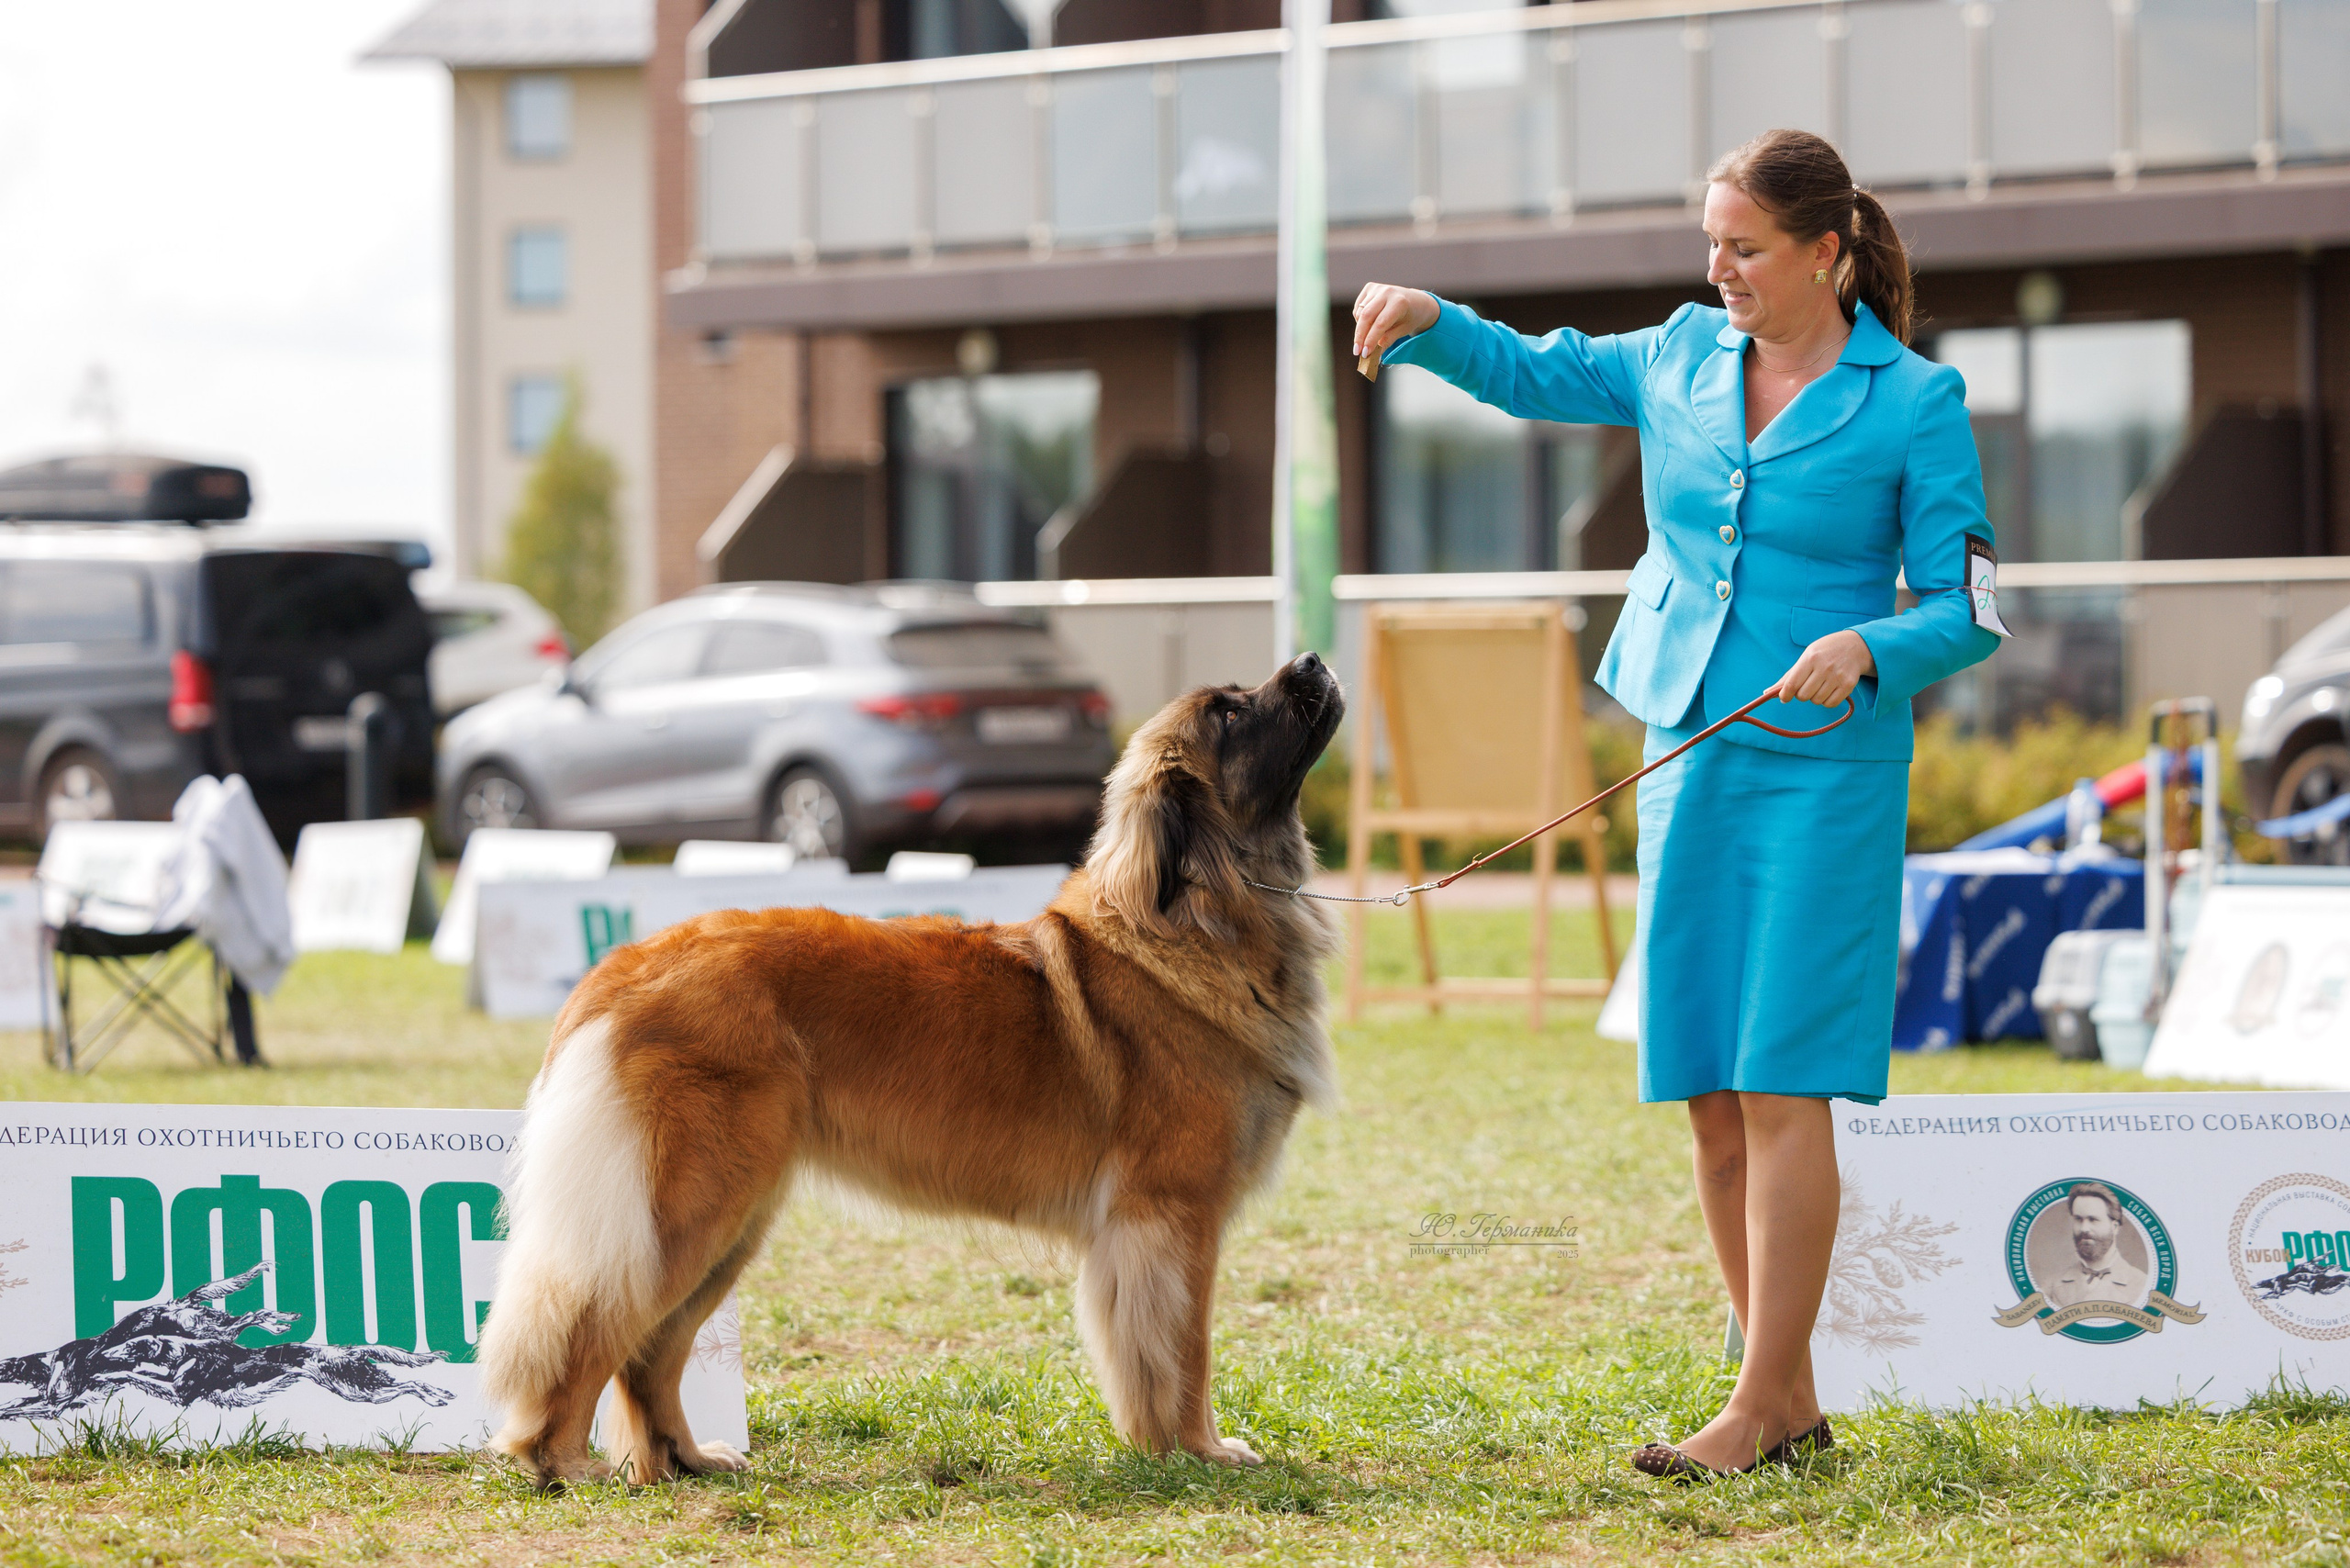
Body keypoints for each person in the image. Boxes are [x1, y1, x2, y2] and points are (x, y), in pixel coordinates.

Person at [1351, 129, 2003, 1481]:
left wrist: (1875, 646)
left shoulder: (1914, 402)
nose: (1719, 270)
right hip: (1689, 749)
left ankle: (1759, 1407)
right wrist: (1430, 322)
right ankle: (1786, 1401)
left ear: (1826, 252)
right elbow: (1538, 373)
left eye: (1745, 247)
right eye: (1709, 242)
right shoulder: (1676, 356)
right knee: (1708, 1085)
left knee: (1783, 1085)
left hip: (1826, 771)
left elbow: (1972, 609)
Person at [2042, 1182, 2148, 1308]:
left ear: (2114, 1227)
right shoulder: (2051, 1286)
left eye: (2093, 1220)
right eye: (2078, 1219)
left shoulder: (2142, 1285)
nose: (2084, 1228)